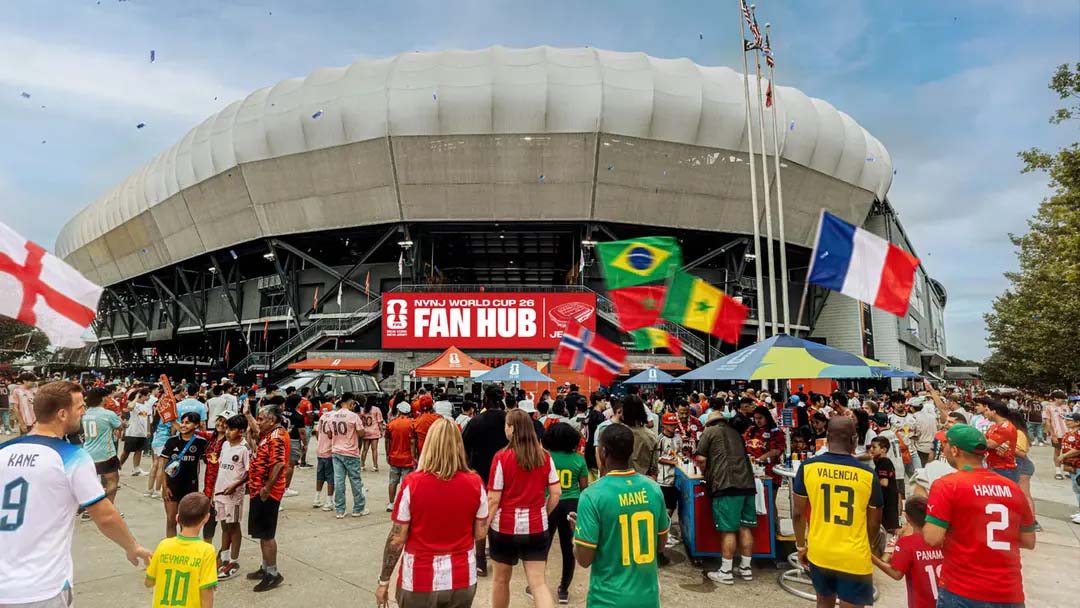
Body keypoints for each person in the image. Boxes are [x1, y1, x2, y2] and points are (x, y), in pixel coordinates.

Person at [0, 380, 152, 606]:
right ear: (62, 414)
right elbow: (105, 515)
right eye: (80, 407)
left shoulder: (4, 450)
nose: (83, 412)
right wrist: (132, 546)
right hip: (42, 588)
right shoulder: (71, 456)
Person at [375, 418, 488, 608]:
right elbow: (480, 533)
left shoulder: (413, 483)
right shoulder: (475, 483)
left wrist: (384, 581)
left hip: (419, 579)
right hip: (462, 578)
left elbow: (397, 538)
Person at [923, 424, 1035, 607]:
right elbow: (1029, 541)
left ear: (954, 450)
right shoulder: (1013, 488)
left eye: (945, 444)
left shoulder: (947, 485)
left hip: (962, 590)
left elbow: (932, 538)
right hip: (1009, 592)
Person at [572, 423, 669, 608]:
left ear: (603, 452)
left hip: (607, 600)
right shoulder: (653, 489)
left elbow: (584, 559)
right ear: (631, 451)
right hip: (648, 598)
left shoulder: (592, 495)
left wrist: (576, 536)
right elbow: (661, 544)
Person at [793, 417, 883, 608]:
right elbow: (874, 522)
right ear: (854, 439)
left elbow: (798, 514)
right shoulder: (868, 474)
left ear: (827, 438)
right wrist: (868, 547)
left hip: (820, 551)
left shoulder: (808, 467)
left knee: (823, 602)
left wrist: (801, 546)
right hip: (853, 555)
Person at [487, 409, 561, 608]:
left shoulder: (501, 457)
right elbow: (556, 493)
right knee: (538, 583)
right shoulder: (544, 457)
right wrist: (543, 513)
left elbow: (493, 498)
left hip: (504, 527)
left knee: (500, 580)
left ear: (512, 429)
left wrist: (484, 525)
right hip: (536, 526)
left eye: (506, 425)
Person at [694, 409, 756, 585]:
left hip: (726, 484)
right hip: (747, 483)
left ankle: (726, 571)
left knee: (728, 530)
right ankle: (746, 568)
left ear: (709, 423)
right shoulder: (736, 433)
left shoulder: (709, 432)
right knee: (745, 527)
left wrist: (705, 473)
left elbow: (701, 458)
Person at [461, 386, 509, 577]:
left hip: (480, 475)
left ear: (485, 398)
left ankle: (480, 561)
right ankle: (500, 557)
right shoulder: (508, 420)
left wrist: (467, 469)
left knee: (480, 516)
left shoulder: (476, 422)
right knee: (501, 515)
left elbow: (463, 447)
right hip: (505, 475)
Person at [542, 422, 589, 603]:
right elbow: (584, 487)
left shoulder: (546, 457)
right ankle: (564, 589)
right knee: (568, 548)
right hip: (572, 504)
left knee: (543, 546)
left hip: (551, 502)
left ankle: (537, 584)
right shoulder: (579, 459)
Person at [145, 493, 219, 608]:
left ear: (177, 518)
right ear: (206, 518)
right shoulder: (207, 550)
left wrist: (149, 563)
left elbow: (149, 583)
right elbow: (206, 592)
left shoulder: (163, 545)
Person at [245, 405, 290, 592]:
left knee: (267, 535)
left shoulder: (277, 436)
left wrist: (267, 488)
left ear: (272, 420)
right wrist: (248, 415)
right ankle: (265, 568)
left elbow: (279, 464)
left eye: (261, 419)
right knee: (262, 533)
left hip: (267, 493)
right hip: (258, 490)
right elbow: (255, 430)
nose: (258, 422)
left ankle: (273, 574)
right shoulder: (268, 433)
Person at [870, 495, 944, 608]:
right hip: (945, 602)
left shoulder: (907, 543)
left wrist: (872, 558)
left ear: (907, 518)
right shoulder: (941, 540)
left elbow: (896, 574)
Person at [159, 412, 210, 538]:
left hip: (190, 487)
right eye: (182, 422)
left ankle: (184, 544)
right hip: (172, 487)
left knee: (186, 522)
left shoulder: (201, 442)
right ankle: (171, 546)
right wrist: (164, 487)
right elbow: (163, 466)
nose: (183, 425)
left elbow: (210, 462)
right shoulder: (171, 441)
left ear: (196, 425)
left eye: (188, 423)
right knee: (171, 520)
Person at [214, 414, 250, 579]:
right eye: (227, 428)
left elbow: (249, 472)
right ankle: (224, 557)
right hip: (220, 492)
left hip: (234, 496)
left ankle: (234, 561)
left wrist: (234, 485)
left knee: (234, 526)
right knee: (224, 525)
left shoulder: (244, 449)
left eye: (231, 429)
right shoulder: (225, 445)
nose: (227, 432)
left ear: (241, 431)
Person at [322, 393, 369, 518]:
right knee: (355, 481)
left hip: (336, 451)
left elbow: (329, 434)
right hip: (351, 452)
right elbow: (361, 433)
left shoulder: (332, 416)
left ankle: (340, 510)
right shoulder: (353, 416)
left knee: (339, 481)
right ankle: (358, 509)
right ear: (351, 402)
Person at [80, 387, 124, 515]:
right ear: (102, 399)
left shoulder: (84, 414)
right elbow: (120, 426)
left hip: (88, 452)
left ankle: (89, 509)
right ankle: (107, 508)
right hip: (106, 453)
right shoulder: (107, 414)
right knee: (113, 480)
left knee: (93, 483)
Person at [656, 412, 683, 548]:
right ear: (664, 425)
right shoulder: (660, 439)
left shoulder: (678, 438)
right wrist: (672, 462)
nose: (673, 427)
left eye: (674, 425)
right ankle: (663, 535)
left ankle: (665, 532)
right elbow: (657, 458)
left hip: (676, 477)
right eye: (670, 425)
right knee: (666, 508)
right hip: (663, 478)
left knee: (672, 507)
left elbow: (681, 453)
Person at [385, 402, 417, 513]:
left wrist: (388, 454)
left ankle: (391, 503)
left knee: (392, 481)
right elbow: (413, 442)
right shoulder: (412, 424)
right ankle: (404, 504)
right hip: (407, 459)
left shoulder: (391, 424)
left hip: (394, 457)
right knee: (406, 483)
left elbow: (387, 441)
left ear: (399, 411)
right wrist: (414, 456)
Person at [744, 406, 785, 488]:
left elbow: (776, 451)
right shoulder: (750, 431)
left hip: (770, 472)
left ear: (767, 417)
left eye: (760, 418)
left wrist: (758, 460)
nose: (757, 421)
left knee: (768, 496)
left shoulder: (775, 432)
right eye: (755, 418)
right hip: (751, 472)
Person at [869, 436, 900, 535]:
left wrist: (868, 481)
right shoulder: (881, 461)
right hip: (890, 500)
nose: (871, 449)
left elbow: (884, 482)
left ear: (883, 450)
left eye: (874, 447)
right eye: (871, 447)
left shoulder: (884, 462)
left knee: (890, 530)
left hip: (888, 502)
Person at [623, 396, 659, 478]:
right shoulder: (651, 436)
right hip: (643, 481)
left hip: (621, 481)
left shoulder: (617, 433)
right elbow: (654, 470)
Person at [984, 400, 1019, 483]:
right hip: (995, 467)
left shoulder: (1004, 427)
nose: (985, 413)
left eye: (987, 410)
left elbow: (989, 444)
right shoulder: (994, 426)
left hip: (1003, 469)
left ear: (994, 412)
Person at [119, 388, 152, 476]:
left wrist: (148, 431)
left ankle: (136, 469)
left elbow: (148, 418)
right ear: (142, 396)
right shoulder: (134, 404)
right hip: (132, 432)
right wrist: (136, 397)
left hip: (142, 432)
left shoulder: (147, 405)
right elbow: (130, 407)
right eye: (148, 395)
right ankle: (118, 467)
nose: (149, 397)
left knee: (139, 451)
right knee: (126, 451)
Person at [1054, 412, 1080, 523]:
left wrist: (1063, 456)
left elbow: (1078, 449)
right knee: (1076, 488)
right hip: (1071, 465)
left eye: (1069, 420)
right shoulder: (1068, 433)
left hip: (1078, 465)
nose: (1066, 422)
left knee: (1079, 487)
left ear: (1077, 422)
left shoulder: (1078, 434)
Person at [312, 397, 336, 510]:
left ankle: (316, 498)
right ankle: (329, 500)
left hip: (320, 450)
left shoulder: (322, 417)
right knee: (331, 477)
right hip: (329, 451)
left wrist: (321, 441)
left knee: (320, 475)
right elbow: (331, 434)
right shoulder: (334, 417)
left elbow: (317, 432)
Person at [281, 395, 307, 498]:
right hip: (292, 440)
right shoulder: (298, 415)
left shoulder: (281, 413)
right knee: (290, 465)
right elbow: (302, 432)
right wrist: (305, 444)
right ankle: (285, 488)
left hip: (280, 439)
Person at [1046, 390, 1072, 479]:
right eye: (1061, 399)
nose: (1062, 400)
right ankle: (1058, 471)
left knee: (1067, 452)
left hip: (1067, 433)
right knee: (1057, 451)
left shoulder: (1066, 407)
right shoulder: (1049, 407)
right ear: (1055, 398)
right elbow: (1048, 421)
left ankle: (1067, 470)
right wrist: (1052, 434)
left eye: (1063, 399)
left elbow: (1070, 419)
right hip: (1057, 433)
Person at [582, 391, 608, 478]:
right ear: (597, 401)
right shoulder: (599, 417)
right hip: (595, 453)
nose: (605, 403)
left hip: (588, 450)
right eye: (603, 400)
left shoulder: (589, 414)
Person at [360, 397, 385, 472]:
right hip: (374, 431)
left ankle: (362, 465)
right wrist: (381, 431)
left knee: (365, 449)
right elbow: (379, 422)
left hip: (366, 431)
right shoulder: (376, 409)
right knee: (374, 450)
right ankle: (375, 466)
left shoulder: (363, 410)